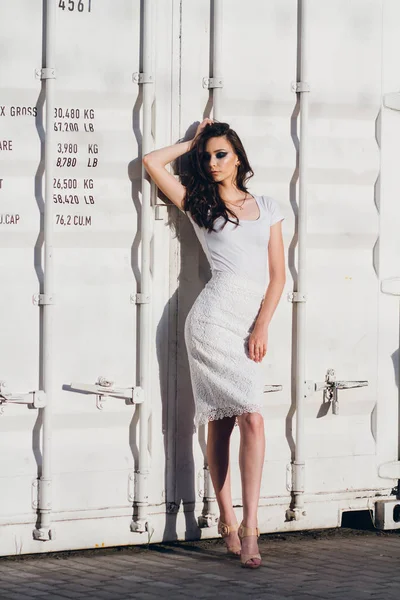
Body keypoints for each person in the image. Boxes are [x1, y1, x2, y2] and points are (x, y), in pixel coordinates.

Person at [143, 119, 286, 569]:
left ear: (238, 156)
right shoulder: (199, 202)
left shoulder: (268, 206)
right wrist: (192, 141)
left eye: (220, 153)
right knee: (233, 421)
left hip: (246, 323)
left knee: (244, 421)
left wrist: (261, 326)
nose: (212, 162)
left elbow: (279, 276)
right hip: (209, 323)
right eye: (206, 157)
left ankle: (247, 523)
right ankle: (233, 521)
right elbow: (151, 162)